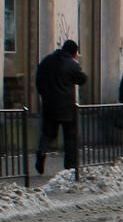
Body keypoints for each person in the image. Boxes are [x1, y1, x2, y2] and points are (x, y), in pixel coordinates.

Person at [33, 39, 85, 175]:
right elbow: (82, 79)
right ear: (73, 53)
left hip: (49, 104)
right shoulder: (71, 64)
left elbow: (38, 80)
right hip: (67, 106)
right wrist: (77, 67)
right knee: (70, 136)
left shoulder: (46, 61)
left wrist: (44, 95)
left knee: (48, 133)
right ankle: (70, 166)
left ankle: (41, 152)